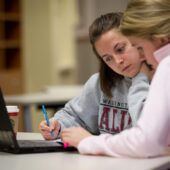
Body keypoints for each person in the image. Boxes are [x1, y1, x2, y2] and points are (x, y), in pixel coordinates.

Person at [60, 0, 170, 158]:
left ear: (161, 38)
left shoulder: (166, 67)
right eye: (108, 58)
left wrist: (89, 141)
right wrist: (58, 126)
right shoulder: (102, 81)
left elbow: (146, 141)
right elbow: (72, 115)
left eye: (139, 46)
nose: (141, 55)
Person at [40, 12, 152, 141]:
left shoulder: (163, 79)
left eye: (120, 49)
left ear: (136, 39)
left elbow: (149, 133)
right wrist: (58, 126)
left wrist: (140, 78)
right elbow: (76, 116)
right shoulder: (100, 83)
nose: (117, 62)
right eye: (108, 58)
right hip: (107, 159)